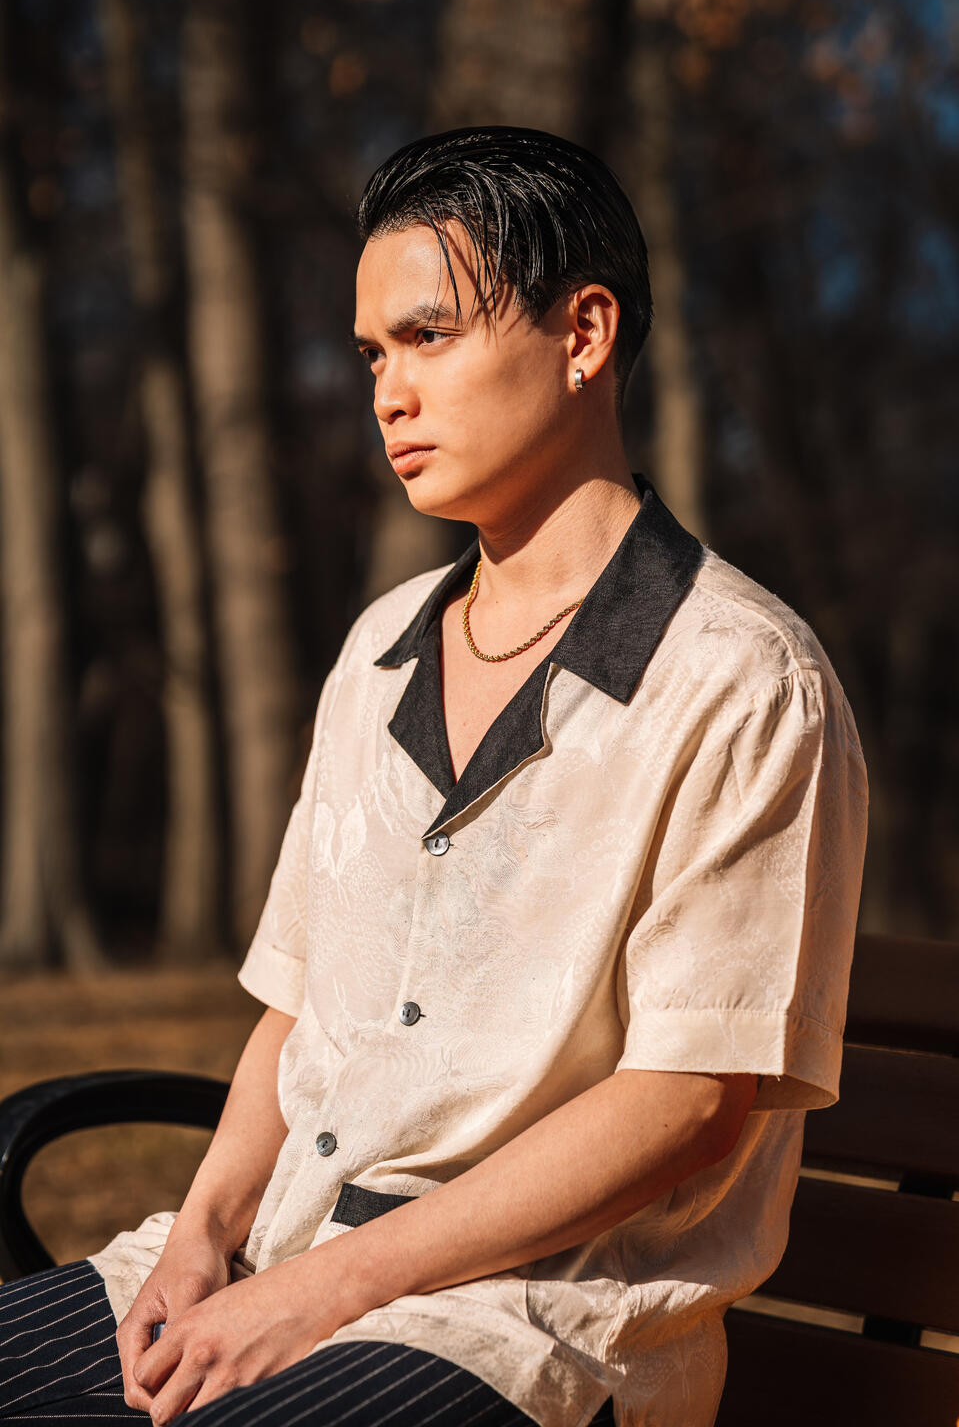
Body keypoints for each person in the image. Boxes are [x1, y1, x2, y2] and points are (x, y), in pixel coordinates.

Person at [0, 125, 868, 1427]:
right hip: (273, 1259)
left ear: (583, 335)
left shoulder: (744, 682)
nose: (388, 394)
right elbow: (298, 1011)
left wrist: (324, 1294)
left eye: (429, 337)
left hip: (524, 1330)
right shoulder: (379, 649)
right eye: (372, 355)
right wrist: (203, 1234)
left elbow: (689, 1101)